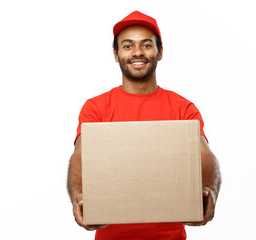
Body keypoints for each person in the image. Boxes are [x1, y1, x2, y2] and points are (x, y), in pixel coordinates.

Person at [67, 10, 221, 240]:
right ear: (115, 54)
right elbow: (80, 155)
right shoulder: (96, 107)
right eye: (127, 46)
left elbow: (205, 156)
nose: (137, 52)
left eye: (147, 45)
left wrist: (211, 192)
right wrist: (78, 197)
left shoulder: (182, 107)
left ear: (159, 53)